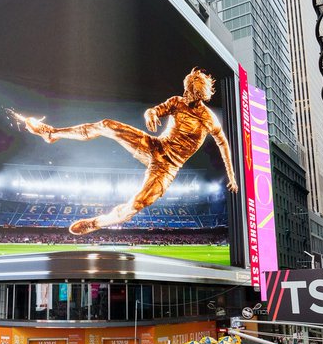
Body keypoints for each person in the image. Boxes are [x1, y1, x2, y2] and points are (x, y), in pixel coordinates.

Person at [15, 67, 238, 236]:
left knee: (138, 203)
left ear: (198, 95)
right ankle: (53, 133)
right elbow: (155, 110)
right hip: (154, 145)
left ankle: (97, 223)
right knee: (107, 125)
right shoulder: (177, 102)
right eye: (185, 91)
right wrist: (150, 114)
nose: (185, 95)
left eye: (189, 93)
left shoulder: (208, 119)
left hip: (168, 166)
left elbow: (223, 144)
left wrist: (232, 177)